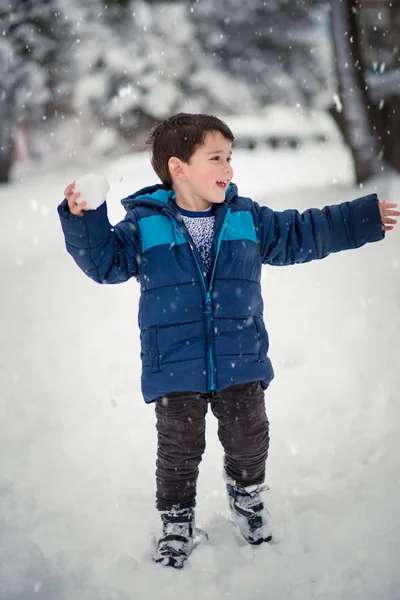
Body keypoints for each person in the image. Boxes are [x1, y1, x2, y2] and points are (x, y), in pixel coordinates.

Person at [58, 113, 399, 569]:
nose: (228, 168)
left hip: (240, 356)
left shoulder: (246, 218)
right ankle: (176, 520)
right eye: (216, 158)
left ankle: (247, 495)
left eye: (229, 158)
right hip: (175, 364)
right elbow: (105, 264)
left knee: (249, 437)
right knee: (178, 449)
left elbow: (301, 231)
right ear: (178, 168)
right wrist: (85, 218)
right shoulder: (145, 224)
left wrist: (359, 219)